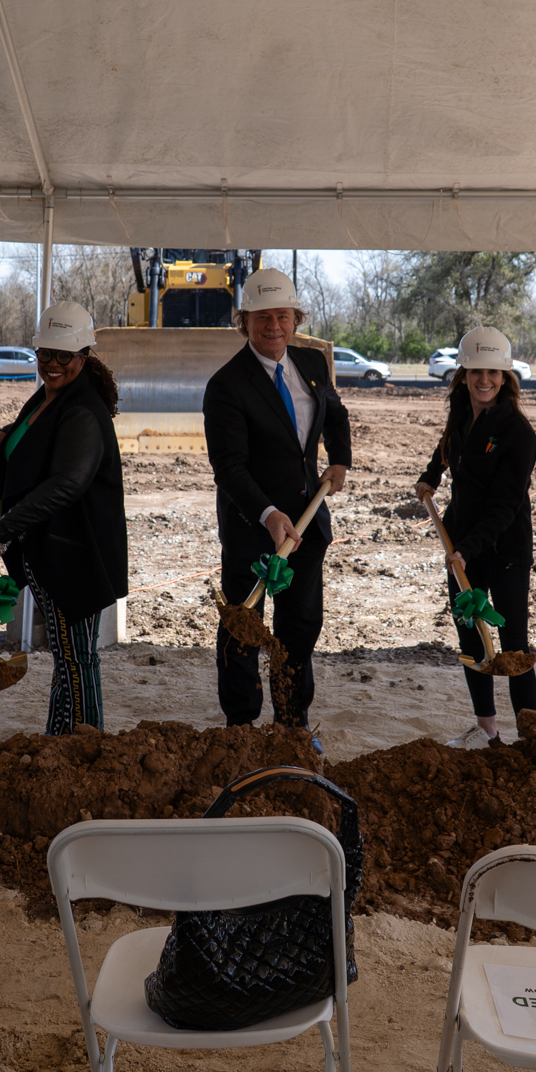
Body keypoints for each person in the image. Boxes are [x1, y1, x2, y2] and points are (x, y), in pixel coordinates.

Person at [204, 267, 352, 743]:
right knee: (243, 628)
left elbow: (336, 412)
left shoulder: (311, 364)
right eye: (262, 317)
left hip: (307, 522)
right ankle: (241, 725)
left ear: (295, 319)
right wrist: (268, 515)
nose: (274, 326)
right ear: (244, 321)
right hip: (254, 527)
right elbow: (229, 467)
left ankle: (292, 722)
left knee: (300, 625)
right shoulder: (227, 386)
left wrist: (340, 460)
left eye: (283, 316)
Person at [0, 302, 129, 734]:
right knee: (68, 655)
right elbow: (41, 438)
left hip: (75, 555)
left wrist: (3, 531)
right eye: (44, 353)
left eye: (63, 356)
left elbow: (67, 483)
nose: (51, 364)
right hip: (53, 549)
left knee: (77, 656)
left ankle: (86, 742)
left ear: (83, 357)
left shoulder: (83, 408)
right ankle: (62, 736)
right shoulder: (52, 396)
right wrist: (7, 436)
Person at [414, 326, 536, 749]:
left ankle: (529, 734)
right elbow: (449, 444)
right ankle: (487, 729)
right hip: (461, 545)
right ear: (463, 374)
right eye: (475, 371)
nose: (483, 380)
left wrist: (469, 548)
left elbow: (504, 507)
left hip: (502, 549)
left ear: (504, 378)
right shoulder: (462, 412)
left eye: (492, 372)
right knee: (471, 636)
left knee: (513, 645)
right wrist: (432, 475)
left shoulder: (518, 433)